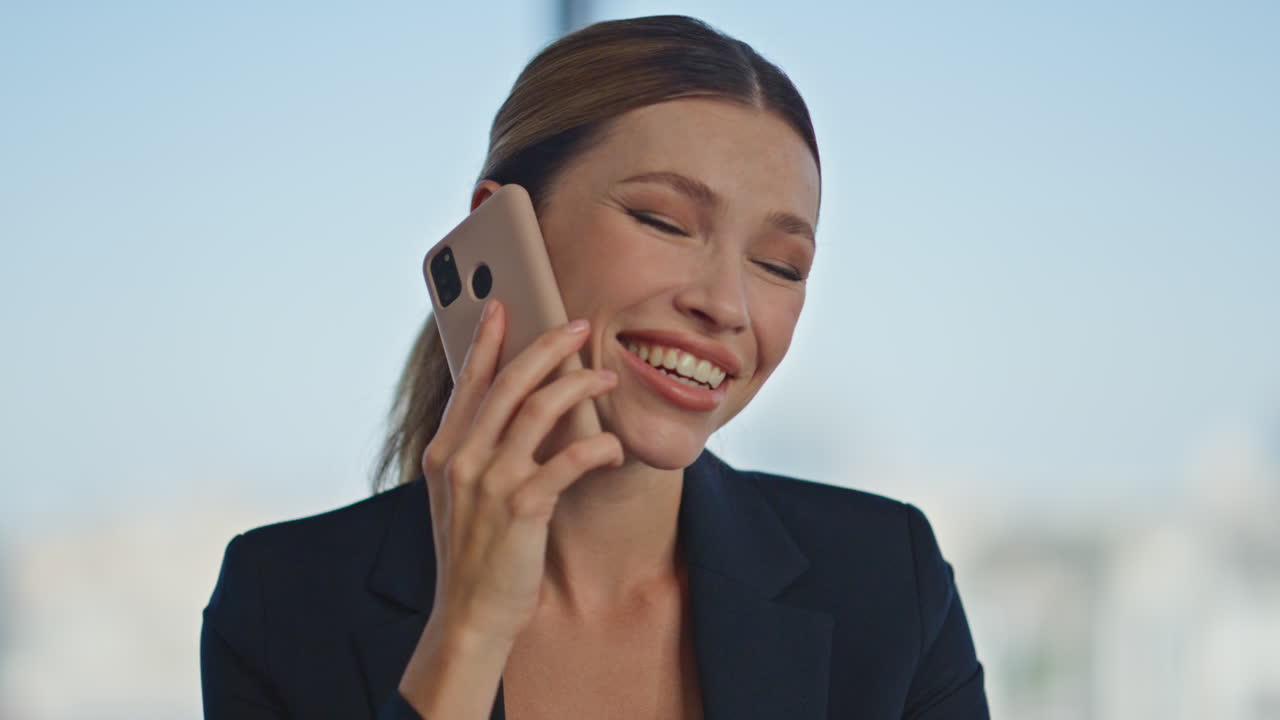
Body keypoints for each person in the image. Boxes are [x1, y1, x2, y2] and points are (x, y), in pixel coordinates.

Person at [200, 15, 989, 720]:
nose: (728, 306)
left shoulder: (888, 581)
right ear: (501, 229)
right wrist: (467, 635)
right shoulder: (280, 603)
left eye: (782, 265)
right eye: (662, 221)